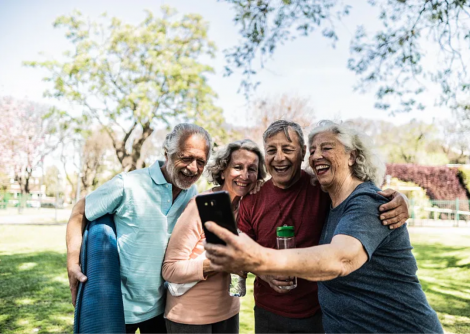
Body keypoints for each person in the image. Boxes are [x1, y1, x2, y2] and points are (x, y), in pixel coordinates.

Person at [204, 120, 443, 334]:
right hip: (275, 313)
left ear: (301, 154)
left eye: (288, 149)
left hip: (320, 315)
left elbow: (342, 257)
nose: (279, 157)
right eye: (271, 151)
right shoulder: (324, 195)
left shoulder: (328, 192)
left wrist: (259, 258)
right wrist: (262, 270)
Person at [66, 123, 211, 334]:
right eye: (186, 158)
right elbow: (79, 211)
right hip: (116, 308)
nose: (193, 168)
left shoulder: (192, 192)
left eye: (201, 162)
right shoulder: (128, 184)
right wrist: (72, 261)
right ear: (167, 154)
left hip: (162, 308)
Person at [161, 139, 266, 333]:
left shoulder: (249, 210)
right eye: (237, 167)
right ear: (223, 169)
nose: (245, 175)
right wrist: (220, 263)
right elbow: (170, 269)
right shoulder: (201, 205)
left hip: (229, 314)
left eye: (252, 169)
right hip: (190, 319)